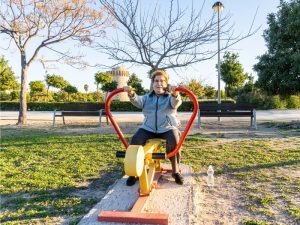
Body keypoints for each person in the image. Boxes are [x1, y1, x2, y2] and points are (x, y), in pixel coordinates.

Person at [124, 70, 184, 186]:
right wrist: (130, 93)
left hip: (167, 128)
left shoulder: (170, 97)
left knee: (175, 141)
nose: (159, 83)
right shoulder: (147, 98)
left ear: (166, 83)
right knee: (135, 141)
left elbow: (175, 103)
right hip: (148, 128)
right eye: (156, 81)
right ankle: (134, 172)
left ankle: (175, 171)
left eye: (162, 81)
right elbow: (137, 101)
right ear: (152, 83)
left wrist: (175, 93)